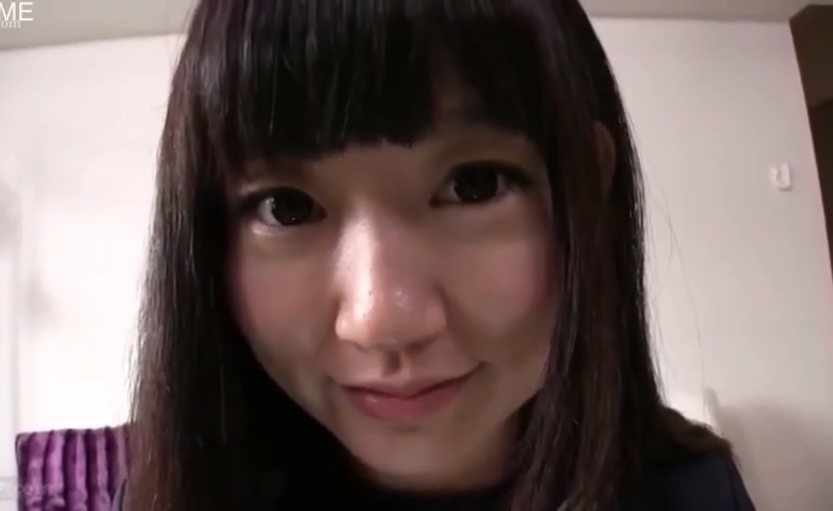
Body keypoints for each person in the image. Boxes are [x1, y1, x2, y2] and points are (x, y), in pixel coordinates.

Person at [119, 0, 757, 510]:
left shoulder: (692, 492)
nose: (382, 320)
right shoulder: (177, 494)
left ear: (585, 189)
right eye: (286, 208)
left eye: (473, 185)